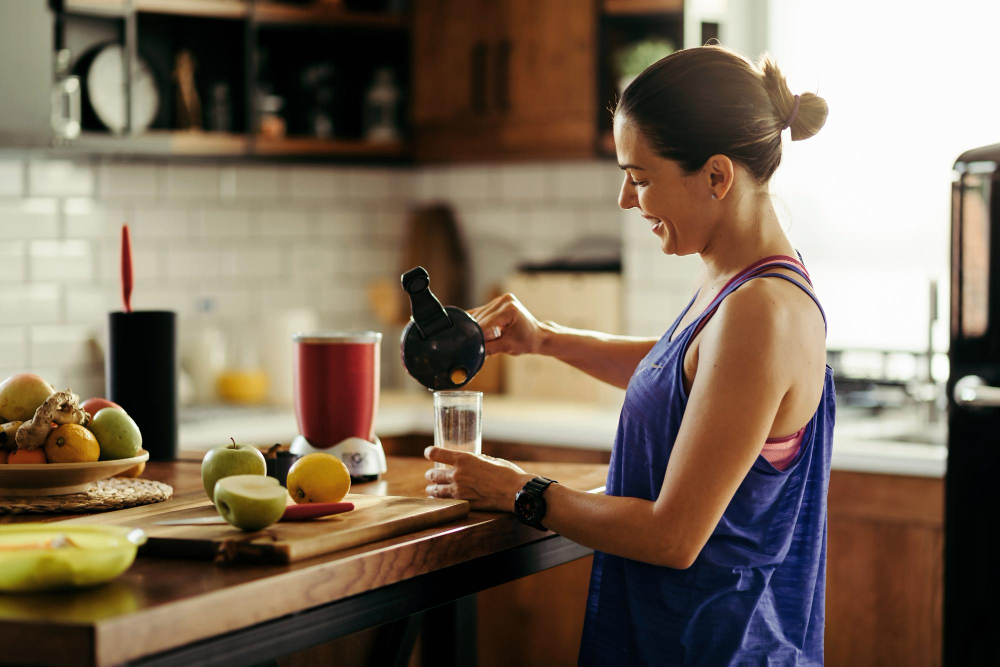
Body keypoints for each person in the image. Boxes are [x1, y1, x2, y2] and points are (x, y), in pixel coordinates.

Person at [423, 44, 832, 666]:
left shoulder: (759, 311)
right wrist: (547, 339)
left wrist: (519, 490)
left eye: (639, 178)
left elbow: (673, 537)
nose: (625, 199)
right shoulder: (742, 286)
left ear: (717, 177)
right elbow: (689, 377)